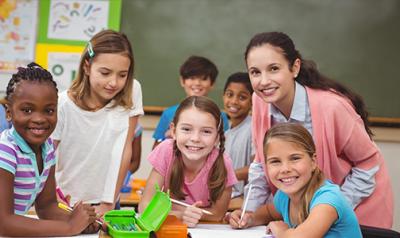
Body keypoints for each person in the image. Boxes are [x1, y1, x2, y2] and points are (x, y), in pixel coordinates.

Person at [239, 31, 393, 228]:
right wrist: (248, 213)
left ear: (294, 67)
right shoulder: (259, 100)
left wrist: (329, 211)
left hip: (356, 210)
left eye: (274, 69)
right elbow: (261, 164)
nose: (264, 81)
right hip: (306, 216)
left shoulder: (332, 106)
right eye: (255, 72)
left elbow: (369, 162)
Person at [52, 30, 144, 219]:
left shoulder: (132, 91)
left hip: (108, 201)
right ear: (87, 66)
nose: (114, 82)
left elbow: (125, 149)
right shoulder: (62, 105)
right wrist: (53, 198)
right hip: (67, 201)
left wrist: (109, 203)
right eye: (105, 73)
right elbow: (46, 158)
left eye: (122, 75)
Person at [0, 63, 97, 236]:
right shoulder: (5, 151)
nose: (39, 119)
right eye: (27, 110)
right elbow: (4, 223)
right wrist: (69, 227)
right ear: (8, 112)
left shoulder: (47, 148)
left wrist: (78, 220)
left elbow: (47, 206)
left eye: (49, 110)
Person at [230, 123, 362, 237]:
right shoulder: (284, 196)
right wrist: (250, 218)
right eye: (275, 161)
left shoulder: (328, 199)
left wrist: (282, 232)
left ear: (313, 162)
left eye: (295, 158)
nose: (285, 169)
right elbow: (269, 212)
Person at [140, 96, 238, 227]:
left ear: (217, 138)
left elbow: (218, 214)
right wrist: (181, 215)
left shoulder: (223, 162)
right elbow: (144, 206)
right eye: (186, 129)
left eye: (206, 131)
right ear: (174, 131)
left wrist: (187, 214)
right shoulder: (166, 150)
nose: (195, 138)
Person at [152, 55, 229, 148]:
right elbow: (156, 149)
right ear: (182, 81)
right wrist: (167, 138)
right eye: (192, 78)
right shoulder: (169, 114)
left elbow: (224, 147)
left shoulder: (220, 116)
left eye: (203, 79)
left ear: (212, 83)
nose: (197, 83)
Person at [223, 72, 254, 198]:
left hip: (243, 200)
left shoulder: (253, 128)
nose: (234, 101)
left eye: (242, 97)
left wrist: (223, 178)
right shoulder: (226, 134)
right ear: (223, 96)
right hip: (227, 196)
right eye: (229, 95)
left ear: (253, 101)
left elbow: (258, 168)